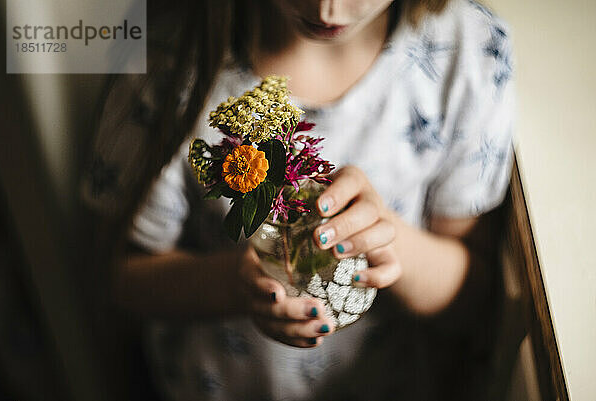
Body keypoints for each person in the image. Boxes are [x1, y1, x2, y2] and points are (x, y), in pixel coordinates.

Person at [83, 0, 515, 399]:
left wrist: (384, 236)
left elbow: (474, 301)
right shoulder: (169, 59)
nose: (328, 8)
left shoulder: (466, 54)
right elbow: (119, 274)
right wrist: (234, 285)